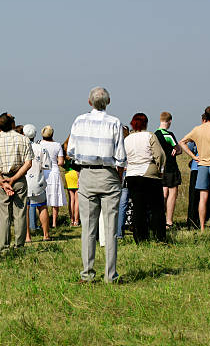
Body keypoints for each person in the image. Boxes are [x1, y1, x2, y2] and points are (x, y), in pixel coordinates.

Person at [67, 87, 126, 284]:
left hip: (87, 175)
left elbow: (71, 151)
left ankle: (87, 272)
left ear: (89, 102)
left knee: (88, 228)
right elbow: (120, 156)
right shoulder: (114, 123)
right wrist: (117, 176)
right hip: (108, 174)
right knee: (110, 228)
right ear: (108, 102)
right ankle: (110, 275)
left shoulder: (79, 121)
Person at [0, 113, 33, 251]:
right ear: (12, 124)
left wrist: (2, 182)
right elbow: (28, 163)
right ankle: (19, 245)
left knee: (4, 214)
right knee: (20, 213)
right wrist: (14, 179)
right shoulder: (24, 140)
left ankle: (3, 246)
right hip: (18, 178)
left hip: (2, 178)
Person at [124, 113, 166, 242]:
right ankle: (159, 236)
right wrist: (161, 170)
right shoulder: (150, 136)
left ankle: (140, 237)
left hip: (131, 174)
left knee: (138, 208)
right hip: (148, 173)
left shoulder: (127, 139)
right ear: (145, 123)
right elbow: (160, 155)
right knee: (156, 207)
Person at [23, 124, 52, 241]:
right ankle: (46, 235)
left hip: (24, 182)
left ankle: (27, 237)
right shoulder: (41, 148)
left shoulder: (21, 148)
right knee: (42, 207)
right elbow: (47, 166)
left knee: (25, 209)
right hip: (38, 182)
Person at [154, 112, 182, 229]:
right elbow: (178, 149)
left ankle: (158, 219)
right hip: (170, 166)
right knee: (172, 193)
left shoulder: (155, 134)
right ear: (169, 121)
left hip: (159, 167)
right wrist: (176, 149)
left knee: (163, 193)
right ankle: (169, 221)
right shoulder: (168, 135)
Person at [39, 125, 66, 228]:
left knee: (43, 198)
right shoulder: (57, 145)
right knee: (55, 197)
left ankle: (43, 223)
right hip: (54, 171)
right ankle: (54, 222)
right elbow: (61, 161)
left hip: (43, 171)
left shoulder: (39, 144)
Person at [63, 136, 80, 227]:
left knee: (71, 199)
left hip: (68, 173)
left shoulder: (64, 148)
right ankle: (76, 220)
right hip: (76, 173)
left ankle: (71, 219)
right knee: (77, 199)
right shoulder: (77, 148)